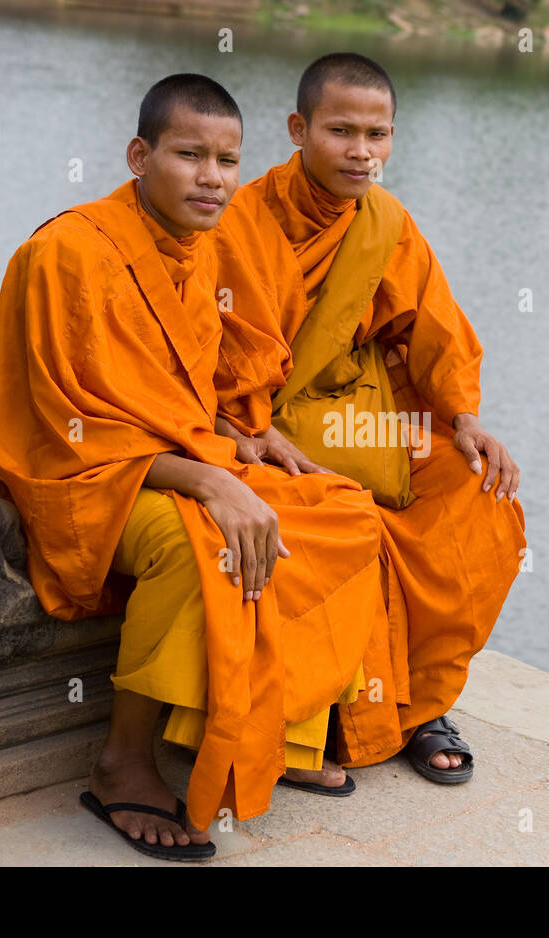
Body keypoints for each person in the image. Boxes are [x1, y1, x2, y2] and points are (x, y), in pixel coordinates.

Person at [0, 74, 386, 862]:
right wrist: (207, 478)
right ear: (140, 154)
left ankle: (268, 727)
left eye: (228, 160)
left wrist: (242, 436)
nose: (212, 178)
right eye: (189, 154)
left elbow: (184, 391)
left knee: (343, 509)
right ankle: (122, 760)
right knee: (196, 541)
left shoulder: (198, 253)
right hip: (80, 477)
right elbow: (64, 427)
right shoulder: (68, 253)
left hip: (174, 455)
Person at [210, 53, 527, 785]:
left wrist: (465, 418)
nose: (361, 151)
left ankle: (419, 702)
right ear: (298, 129)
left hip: (361, 417)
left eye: (377, 134)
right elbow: (211, 353)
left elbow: (435, 330)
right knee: (344, 514)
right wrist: (247, 424)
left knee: (473, 489)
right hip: (263, 423)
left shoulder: (386, 223)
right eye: (341, 131)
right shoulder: (240, 220)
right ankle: (335, 713)